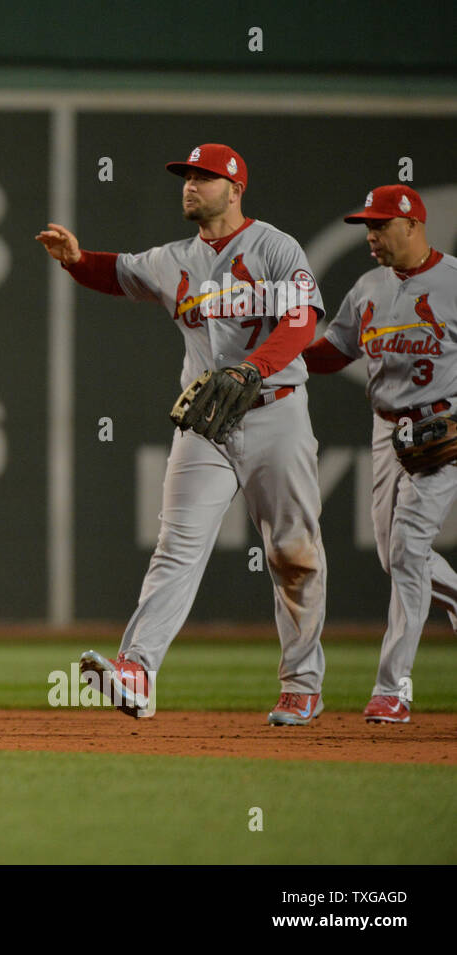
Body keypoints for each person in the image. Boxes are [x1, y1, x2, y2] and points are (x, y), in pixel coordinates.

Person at [36, 143, 328, 725]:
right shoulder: (174, 259)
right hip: (208, 422)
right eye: (186, 177)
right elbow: (119, 273)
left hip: (277, 411)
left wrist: (254, 367)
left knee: (293, 554)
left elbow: (303, 320)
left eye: (205, 177)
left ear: (236, 189)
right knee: (176, 547)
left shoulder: (274, 247)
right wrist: (75, 259)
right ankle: (137, 670)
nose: (190, 186)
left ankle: (302, 684)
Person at [302, 184, 456, 724]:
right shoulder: (367, 287)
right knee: (394, 556)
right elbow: (332, 351)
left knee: (411, 549)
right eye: (366, 226)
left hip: (444, 432)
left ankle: (393, 687)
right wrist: (283, 352)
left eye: (380, 225)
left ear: (413, 225)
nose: (370, 236)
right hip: (386, 430)